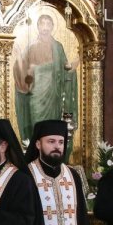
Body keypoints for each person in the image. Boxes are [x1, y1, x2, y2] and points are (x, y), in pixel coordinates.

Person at [14, 13, 77, 145]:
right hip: (36, 94)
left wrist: (70, 68)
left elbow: (65, 69)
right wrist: (24, 63)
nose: (45, 27)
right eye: (42, 24)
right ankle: (35, 152)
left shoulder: (58, 47)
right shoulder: (31, 47)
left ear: (53, 26)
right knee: (37, 124)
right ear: (37, 26)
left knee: (52, 127)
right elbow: (22, 71)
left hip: (54, 96)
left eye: (48, 24)